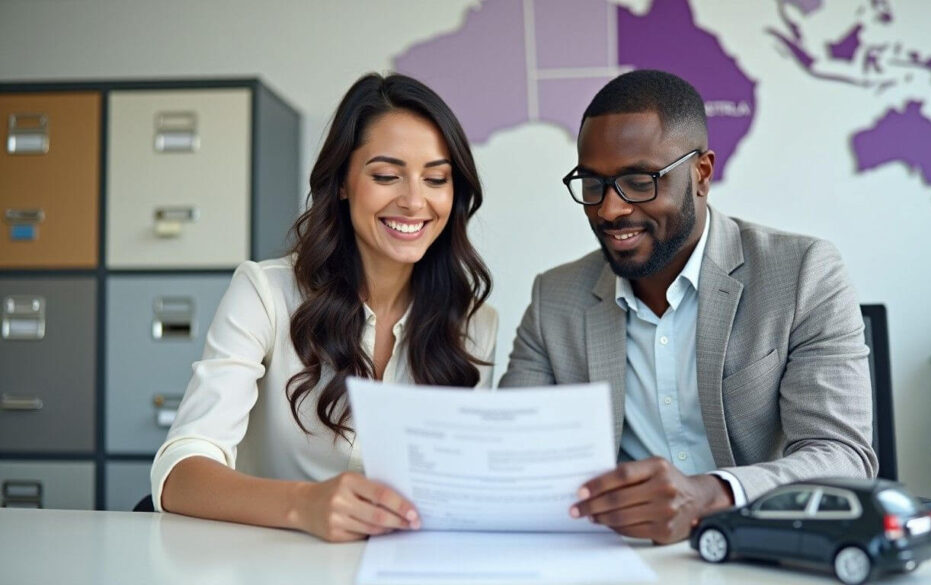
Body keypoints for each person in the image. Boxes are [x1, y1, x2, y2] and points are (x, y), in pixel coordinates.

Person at [500, 70, 876, 544]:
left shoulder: (801, 273)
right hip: (617, 559)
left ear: (701, 174)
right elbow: (511, 456)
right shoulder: (554, 299)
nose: (610, 210)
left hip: (759, 554)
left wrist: (711, 494)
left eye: (638, 182)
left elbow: (842, 457)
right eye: (593, 184)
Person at [152, 73, 498, 542]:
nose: (415, 201)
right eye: (385, 176)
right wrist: (302, 504)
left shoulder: (474, 324)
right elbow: (180, 473)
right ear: (342, 183)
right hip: (265, 567)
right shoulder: (265, 293)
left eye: (436, 179)